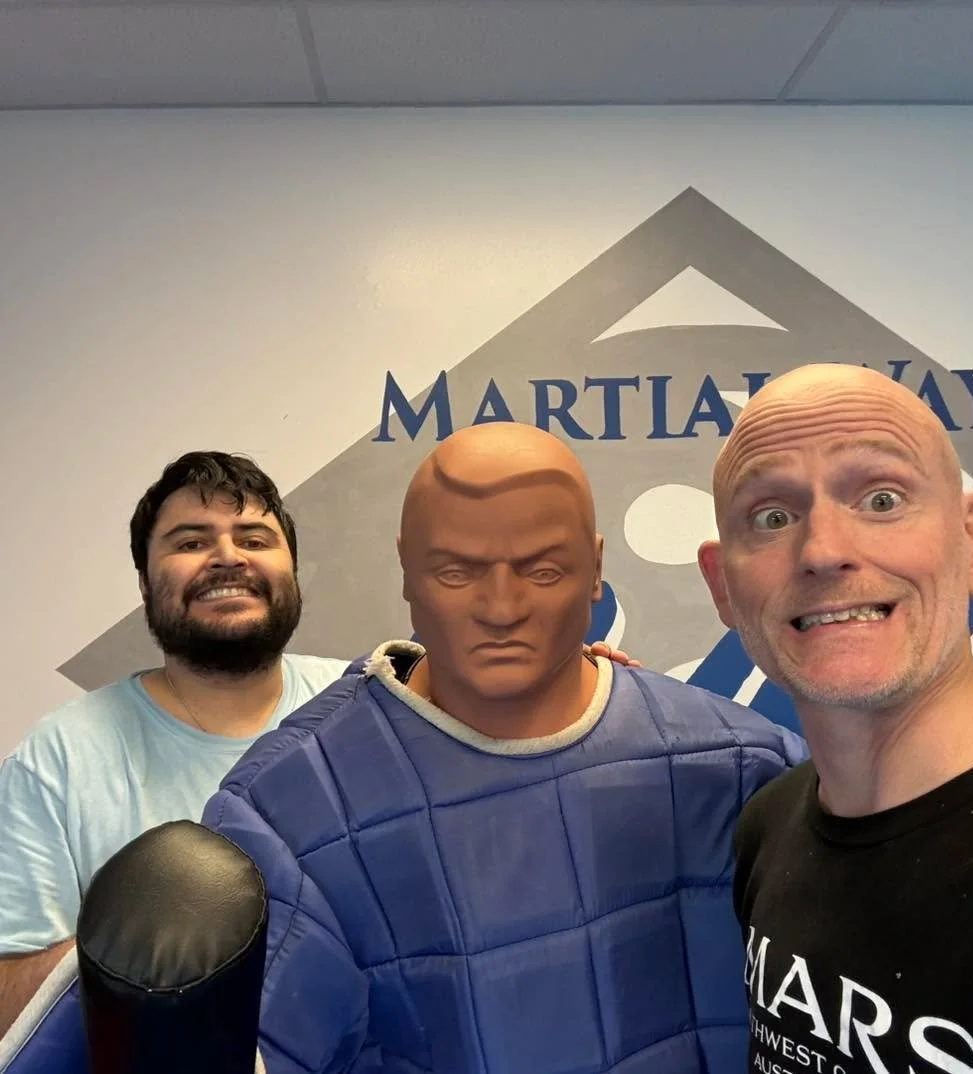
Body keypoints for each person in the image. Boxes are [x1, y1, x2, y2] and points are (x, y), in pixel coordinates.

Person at [200, 421, 804, 1073]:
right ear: (407, 569)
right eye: (457, 571)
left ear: (595, 568)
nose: (501, 607)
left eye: (541, 570)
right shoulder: (285, 811)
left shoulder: (746, 769)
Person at [698, 363, 973, 1073]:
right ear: (723, 586)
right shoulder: (768, 825)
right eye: (772, 517)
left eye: (881, 499)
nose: (823, 551)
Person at [0, 452, 350, 1036]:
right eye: (190, 542)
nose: (228, 557)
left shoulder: (366, 708)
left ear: (291, 569)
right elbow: (6, 1004)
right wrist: (124, 960)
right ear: (145, 583)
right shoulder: (60, 756)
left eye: (254, 538)